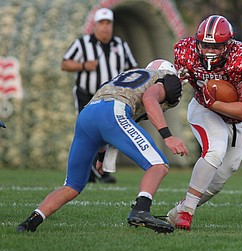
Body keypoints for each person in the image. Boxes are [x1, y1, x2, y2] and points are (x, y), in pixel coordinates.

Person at [16, 59, 188, 234]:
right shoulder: (166, 78)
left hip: (87, 116)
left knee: (72, 185)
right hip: (113, 112)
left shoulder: (128, 76)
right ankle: (141, 210)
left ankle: (30, 222)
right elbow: (150, 98)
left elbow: (105, 124)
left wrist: (101, 157)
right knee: (158, 165)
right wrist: (168, 136)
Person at [166, 15, 242, 230]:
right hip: (203, 109)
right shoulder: (186, 51)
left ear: (228, 44)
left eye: (216, 47)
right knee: (215, 150)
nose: (210, 52)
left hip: (234, 116)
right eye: (206, 46)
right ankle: (188, 213)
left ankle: (179, 209)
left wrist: (216, 103)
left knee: (223, 174)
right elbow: (171, 85)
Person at [61, 7, 138, 183]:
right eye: (101, 23)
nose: (105, 27)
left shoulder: (120, 45)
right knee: (87, 132)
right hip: (86, 94)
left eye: (108, 23)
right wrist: (83, 66)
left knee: (109, 132)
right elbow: (65, 64)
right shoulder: (82, 43)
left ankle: (102, 171)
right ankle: (88, 171)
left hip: (110, 97)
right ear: (95, 25)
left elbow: (133, 68)